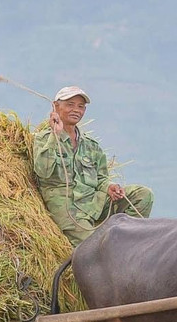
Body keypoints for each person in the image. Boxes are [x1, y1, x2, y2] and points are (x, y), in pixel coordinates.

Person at [31, 86, 154, 245]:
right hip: (68, 210)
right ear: (55, 106)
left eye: (81, 106)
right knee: (95, 247)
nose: (76, 110)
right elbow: (43, 171)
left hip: (93, 203)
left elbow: (101, 179)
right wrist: (56, 135)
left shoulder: (91, 145)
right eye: (70, 104)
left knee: (143, 195)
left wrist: (109, 187)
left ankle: (128, 245)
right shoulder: (43, 139)